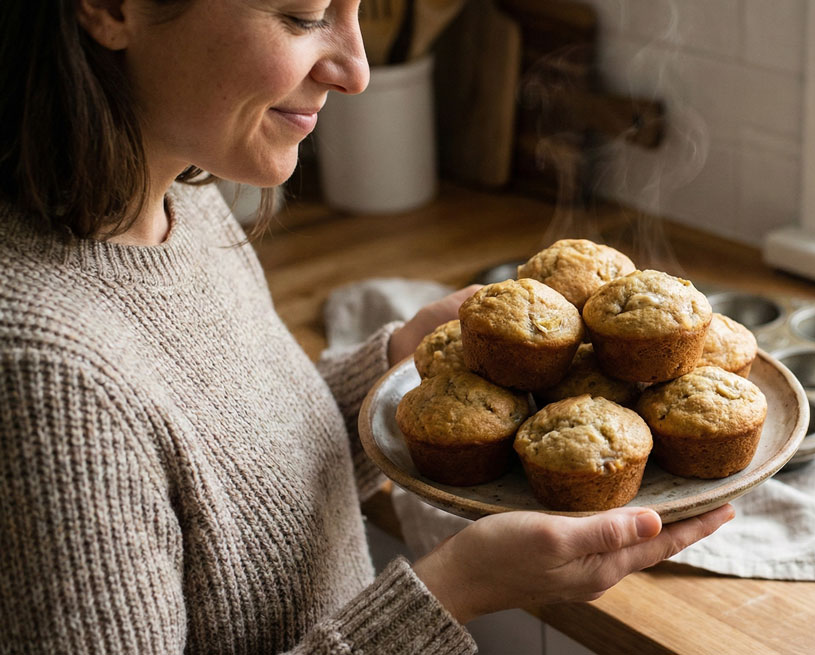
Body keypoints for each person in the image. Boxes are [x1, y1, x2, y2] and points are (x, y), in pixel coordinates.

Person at [0, 0, 734, 652]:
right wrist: (451, 592)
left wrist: (397, 360)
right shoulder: (43, 374)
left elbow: (225, 478)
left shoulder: (181, 200)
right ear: (107, 8)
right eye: (300, 16)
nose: (356, 71)